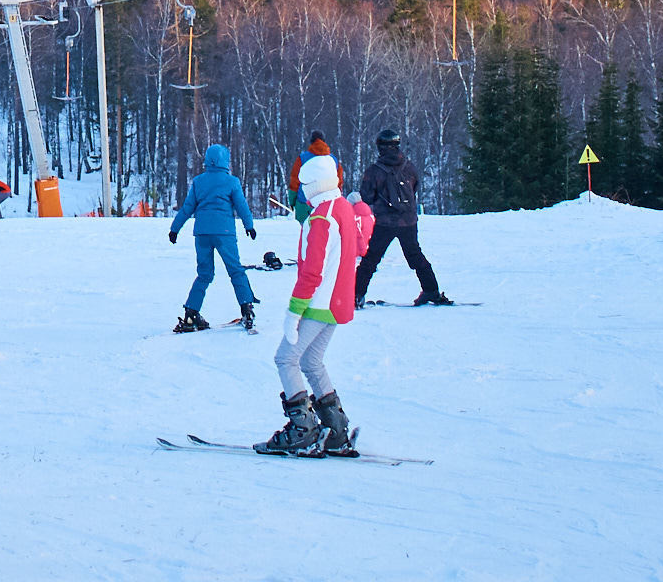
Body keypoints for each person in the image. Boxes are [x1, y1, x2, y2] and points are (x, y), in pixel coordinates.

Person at [256, 153, 372, 457]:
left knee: (286, 359)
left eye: (303, 184)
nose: (301, 191)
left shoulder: (320, 217)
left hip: (319, 304)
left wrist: (294, 312)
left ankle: (303, 431)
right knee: (311, 362)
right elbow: (359, 249)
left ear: (315, 185)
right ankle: (335, 431)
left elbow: (311, 272)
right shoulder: (345, 209)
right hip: (338, 303)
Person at [168, 144, 259, 332]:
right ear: (226, 161)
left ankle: (191, 313)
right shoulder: (231, 182)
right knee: (235, 270)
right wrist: (249, 226)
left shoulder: (199, 182)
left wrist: (174, 229)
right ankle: (247, 308)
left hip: (202, 234)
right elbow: (241, 206)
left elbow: (187, 208)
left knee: (204, 274)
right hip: (224, 233)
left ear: (207, 160)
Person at [355, 128, 451, 306]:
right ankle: (431, 290)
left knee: (371, 259)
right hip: (408, 220)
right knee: (415, 255)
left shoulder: (374, 171)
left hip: (385, 222)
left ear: (380, 147)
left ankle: (356, 295)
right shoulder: (409, 166)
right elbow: (415, 188)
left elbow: (366, 196)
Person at [284, 131, 343, 223]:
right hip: (328, 204)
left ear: (311, 141)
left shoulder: (302, 158)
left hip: (304, 203)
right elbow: (338, 183)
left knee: (307, 233)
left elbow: (294, 182)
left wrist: (292, 201)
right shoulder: (333, 160)